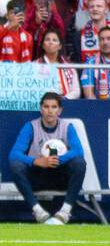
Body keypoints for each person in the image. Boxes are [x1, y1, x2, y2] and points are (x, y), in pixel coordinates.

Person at [7, 90, 86, 224]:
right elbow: (14, 154)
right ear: (40, 109)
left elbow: (78, 151)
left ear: (60, 110)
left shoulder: (67, 127)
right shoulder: (30, 126)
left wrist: (58, 160)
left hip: (60, 176)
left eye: (54, 107)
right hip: (38, 176)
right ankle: (38, 211)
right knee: (15, 165)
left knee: (79, 163)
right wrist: (37, 161)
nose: (50, 111)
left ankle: (65, 211)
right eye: (46, 106)